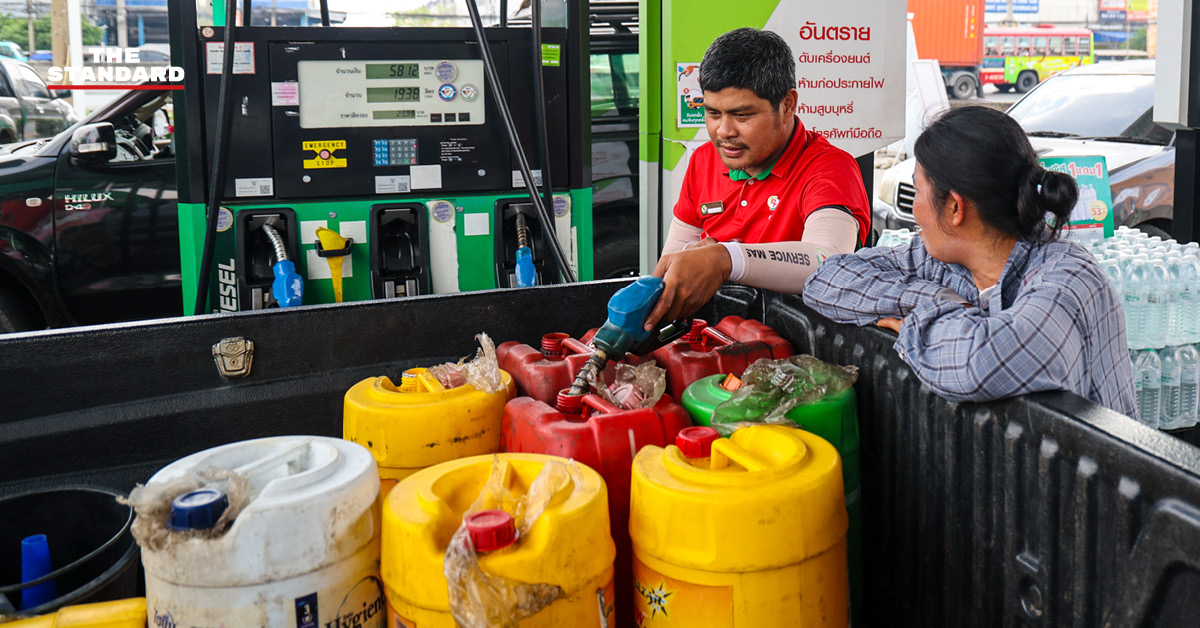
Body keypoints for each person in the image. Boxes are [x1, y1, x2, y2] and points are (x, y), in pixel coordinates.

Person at [803, 106, 1137, 418]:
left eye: (917, 192)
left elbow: (978, 361)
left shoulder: (1068, 280)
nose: (915, 207)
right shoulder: (945, 260)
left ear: (954, 208)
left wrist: (922, 322)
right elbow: (827, 279)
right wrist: (937, 299)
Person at [644, 27, 871, 330]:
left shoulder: (829, 168)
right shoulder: (703, 162)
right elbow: (671, 263)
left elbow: (826, 260)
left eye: (742, 116)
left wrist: (725, 259)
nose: (724, 131)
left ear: (787, 105)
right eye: (712, 114)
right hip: (718, 339)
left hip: (800, 349)